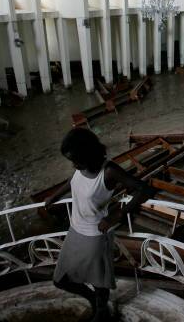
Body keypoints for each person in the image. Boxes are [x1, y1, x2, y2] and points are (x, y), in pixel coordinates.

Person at [44, 127, 155, 321]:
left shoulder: (109, 171)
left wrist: (116, 216)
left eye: (76, 160)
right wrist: (55, 195)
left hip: (95, 234)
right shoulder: (81, 166)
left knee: (98, 280)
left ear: (88, 153)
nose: (74, 165)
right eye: (71, 160)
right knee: (60, 280)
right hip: (75, 230)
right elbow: (73, 179)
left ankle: (101, 310)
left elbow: (144, 189)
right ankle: (93, 300)